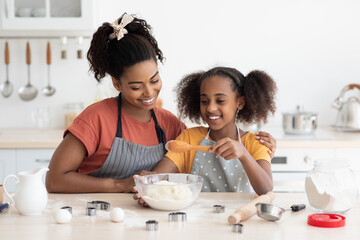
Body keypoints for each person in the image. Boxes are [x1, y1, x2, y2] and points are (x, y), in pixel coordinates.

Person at [46, 13, 276, 193]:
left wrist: (258, 150)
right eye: (136, 86)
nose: (149, 92)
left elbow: (192, 156)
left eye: (154, 79)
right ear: (117, 83)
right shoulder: (96, 118)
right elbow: (55, 179)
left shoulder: (171, 125)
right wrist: (122, 185)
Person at [136, 66, 277, 198]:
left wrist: (244, 154)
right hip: (198, 220)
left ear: (240, 103)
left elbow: (266, 189)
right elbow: (159, 177)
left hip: (241, 219)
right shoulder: (189, 138)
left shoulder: (255, 142)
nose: (210, 108)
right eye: (204, 101)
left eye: (220, 100)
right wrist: (148, 183)